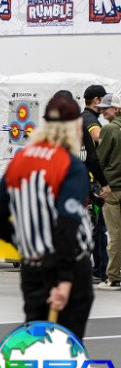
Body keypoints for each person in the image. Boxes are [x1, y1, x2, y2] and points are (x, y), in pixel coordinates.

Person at [0, 92, 92, 368]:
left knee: (35, 346)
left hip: (32, 267)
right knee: (63, 350)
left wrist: (20, 241)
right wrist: (64, 278)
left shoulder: (21, 159)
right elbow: (66, 224)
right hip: (65, 266)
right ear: (74, 126)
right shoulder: (68, 164)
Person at [81, 85, 111, 283]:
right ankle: (101, 270)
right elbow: (98, 138)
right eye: (104, 101)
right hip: (92, 182)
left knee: (94, 228)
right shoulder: (90, 119)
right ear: (96, 100)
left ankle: (97, 269)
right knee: (99, 229)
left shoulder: (81, 118)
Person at [95, 93, 121, 291]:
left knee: (114, 234)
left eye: (106, 108)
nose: (102, 111)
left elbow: (99, 159)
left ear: (117, 109)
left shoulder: (110, 129)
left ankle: (113, 277)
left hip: (112, 188)